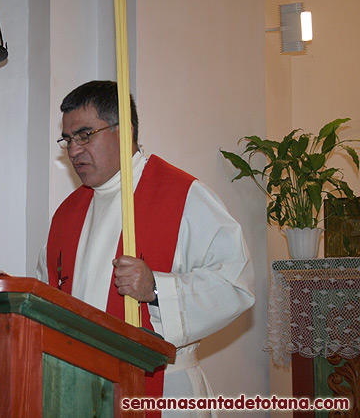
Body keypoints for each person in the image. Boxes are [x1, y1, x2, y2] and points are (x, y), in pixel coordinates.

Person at [36, 80, 254, 417]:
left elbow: (236, 284)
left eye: (85, 135)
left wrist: (156, 290)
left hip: (164, 390)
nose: (74, 150)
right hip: (83, 386)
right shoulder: (67, 214)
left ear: (124, 131)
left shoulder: (183, 196)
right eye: (68, 139)